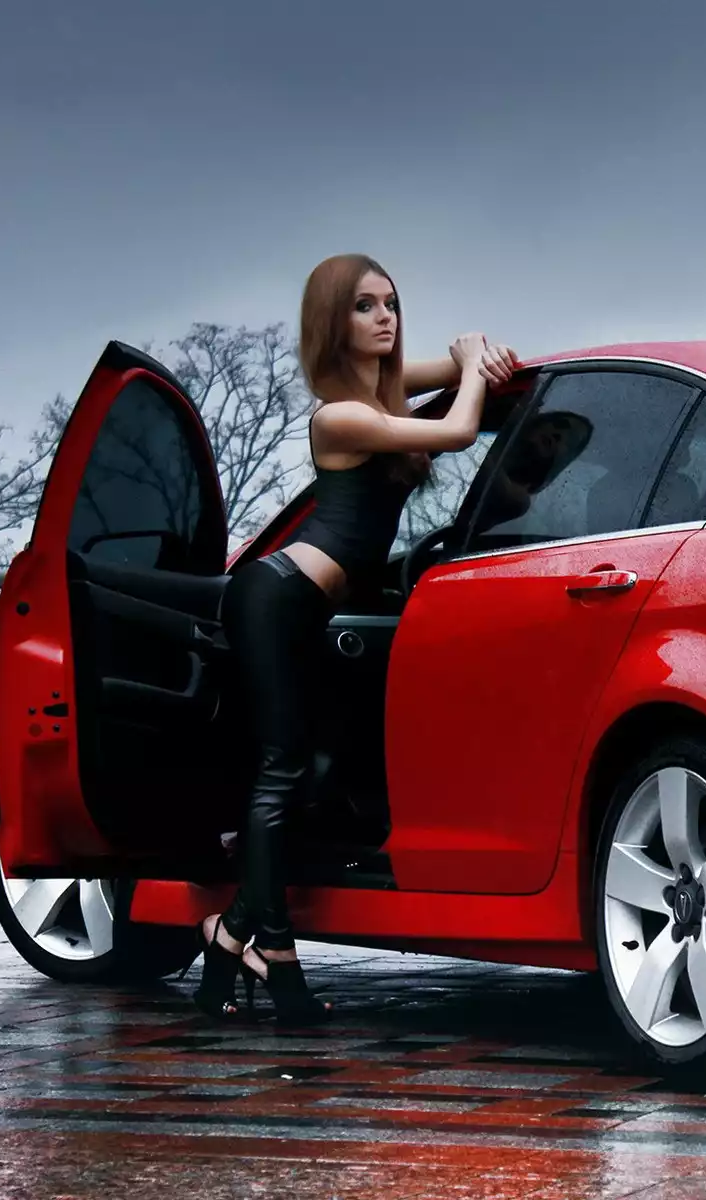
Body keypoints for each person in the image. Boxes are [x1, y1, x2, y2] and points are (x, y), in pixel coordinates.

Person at [193, 253, 518, 1023]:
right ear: (332, 324)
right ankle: (276, 953)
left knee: (313, 777)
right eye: (365, 306)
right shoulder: (340, 415)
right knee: (281, 773)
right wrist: (473, 363)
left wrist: (485, 357)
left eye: (392, 303)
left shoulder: (384, 392)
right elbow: (461, 424)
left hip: (309, 611)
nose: (385, 317)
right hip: (275, 599)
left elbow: (460, 373)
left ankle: (229, 932)